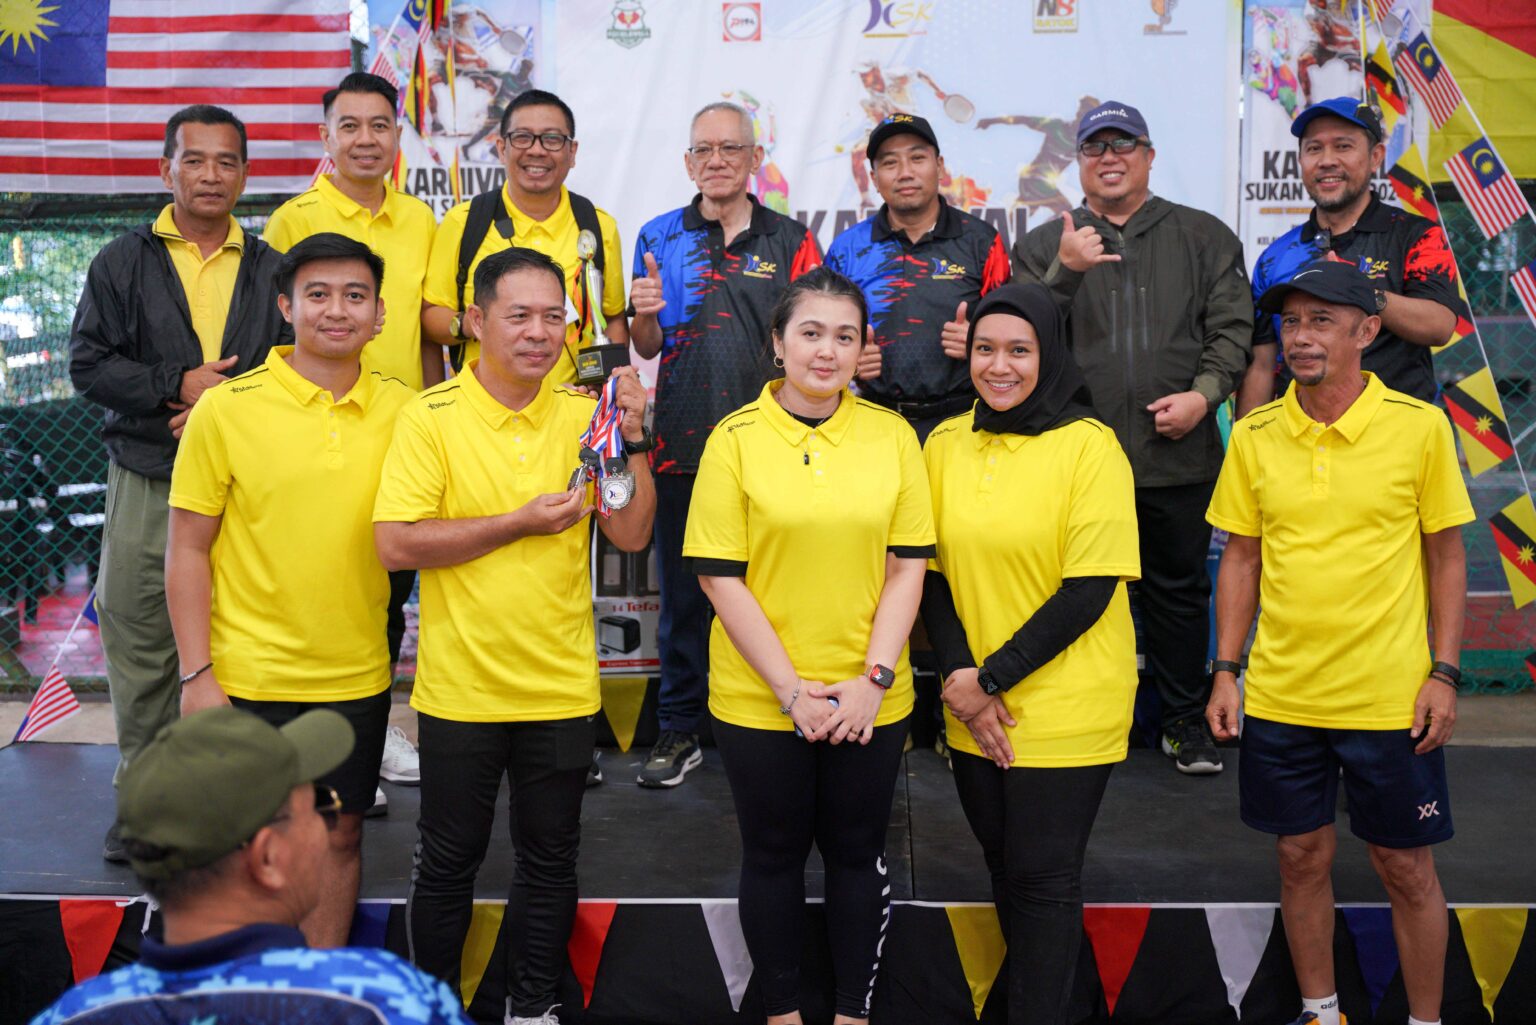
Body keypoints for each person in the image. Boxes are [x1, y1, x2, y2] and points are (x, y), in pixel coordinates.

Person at [374, 248, 655, 1025]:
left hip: (560, 686)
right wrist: (516, 524)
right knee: (447, 861)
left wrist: (633, 436)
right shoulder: (430, 417)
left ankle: (533, 1006)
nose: (539, 332)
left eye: (553, 317)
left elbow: (631, 532)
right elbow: (396, 542)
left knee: (551, 857)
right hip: (460, 690)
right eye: (519, 315)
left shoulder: (584, 413)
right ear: (475, 320)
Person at [1207, 261, 1473, 1025]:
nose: (1301, 336)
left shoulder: (1420, 426)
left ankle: (1426, 1020)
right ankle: (1321, 1012)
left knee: (1405, 866)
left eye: (1322, 320)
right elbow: (1242, 557)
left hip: (1391, 697)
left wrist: (1444, 672)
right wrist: (1226, 670)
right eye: (1291, 321)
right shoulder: (1255, 433)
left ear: (1368, 331)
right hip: (1282, 695)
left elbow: (1446, 556)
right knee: (1299, 857)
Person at [685, 267, 933, 1025]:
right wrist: (791, 691)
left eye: (845, 336)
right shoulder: (734, 439)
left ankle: (854, 1013)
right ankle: (784, 1012)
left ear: (863, 349)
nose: (827, 351)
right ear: (778, 342)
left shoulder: (894, 437)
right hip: (760, 698)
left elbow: (907, 567)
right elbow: (720, 578)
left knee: (858, 853)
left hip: (868, 697)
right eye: (811, 333)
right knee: (772, 854)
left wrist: (873, 680)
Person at [164, 233, 414, 946]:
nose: (337, 310)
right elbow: (186, 548)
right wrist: (197, 676)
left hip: (356, 674)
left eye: (355, 295)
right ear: (285, 307)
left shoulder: (411, 411)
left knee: (336, 838)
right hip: (245, 677)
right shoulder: (226, 409)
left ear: (379, 313)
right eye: (318, 294)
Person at [68, 105, 290, 864]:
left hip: (250, 482)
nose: (210, 175)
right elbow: (88, 365)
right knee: (140, 631)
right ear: (166, 169)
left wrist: (223, 410)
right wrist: (177, 384)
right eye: (194, 160)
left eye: (227, 162)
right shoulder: (119, 263)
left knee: (245, 638)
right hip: (149, 474)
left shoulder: (272, 268)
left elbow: (293, 368)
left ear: (245, 176)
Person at [919, 283, 1139, 1025]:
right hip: (972, 703)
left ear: (1050, 356)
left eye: (1019, 350)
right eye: (985, 348)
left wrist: (989, 679)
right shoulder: (944, 443)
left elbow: (1090, 589)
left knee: (1043, 880)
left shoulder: (1090, 446)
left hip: (1066, 703)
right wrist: (962, 679)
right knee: (1006, 871)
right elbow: (932, 575)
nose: (999, 365)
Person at [1011, 100, 1252, 776]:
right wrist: (1066, 270)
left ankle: (1183, 721)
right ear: (1079, 162)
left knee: (1177, 593)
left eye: (1124, 145)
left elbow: (1232, 330)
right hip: (1074, 461)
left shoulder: (1202, 235)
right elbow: (1019, 338)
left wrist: (1204, 397)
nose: (1110, 157)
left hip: (1177, 454)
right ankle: (1068, 718)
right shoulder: (1045, 243)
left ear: (1149, 157)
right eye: (1095, 147)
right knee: (1070, 592)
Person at [28, 707, 474, 1025]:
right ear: (267, 858)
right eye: (318, 804)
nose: (329, 825)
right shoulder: (389, 1002)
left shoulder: (75, 1014)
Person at [627, 100, 826, 788]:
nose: (716, 161)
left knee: (777, 593)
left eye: (730, 149)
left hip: (777, 445)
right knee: (685, 602)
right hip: (682, 444)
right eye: (703, 150)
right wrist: (644, 316)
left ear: (754, 160)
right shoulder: (658, 235)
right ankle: (679, 727)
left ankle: (787, 711)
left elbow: (812, 334)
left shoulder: (791, 239)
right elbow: (646, 343)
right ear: (688, 163)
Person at [262, 72, 435, 800]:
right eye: (350, 126)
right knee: (314, 579)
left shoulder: (422, 220)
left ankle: (374, 732)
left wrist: (434, 412)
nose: (366, 139)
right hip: (314, 429)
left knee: (388, 591)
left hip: (398, 431)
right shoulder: (292, 220)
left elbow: (428, 334)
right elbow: (268, 329)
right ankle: (303, 746)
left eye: (380, 125)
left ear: (398, 136)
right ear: (326, 137)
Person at [1239, 98, 1461, 415]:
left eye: (1343, 146)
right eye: (1314, 149)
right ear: (1300, 160)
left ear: (1375, 157)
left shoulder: (1416, 235)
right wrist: (1248, 435)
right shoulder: (1276, 257)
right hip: (1300, 435)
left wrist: (1362, 291)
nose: (1327, 160)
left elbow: (1439, 325)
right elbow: (1261, 364)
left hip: (1394, 431)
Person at [421, 89, 628, 388]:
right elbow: (430, 316)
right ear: (501, 148)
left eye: (552, 139)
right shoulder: (463, 223)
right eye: (522, 138)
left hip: (575, 404)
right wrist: (470, 323)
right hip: (481, 407)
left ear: (572, 152)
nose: (537, 150)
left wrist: (604, 388)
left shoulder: (598, 226)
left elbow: (613, 318)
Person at [826, 112, 1011, 443]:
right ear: (874, 178)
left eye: (917, 158)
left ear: (939, 166)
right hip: (871, 423)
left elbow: (1014, 333)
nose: (905, 172)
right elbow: (820, 335)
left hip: (965, 424)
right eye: (890, 162)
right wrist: (848, 356)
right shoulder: (847, 249)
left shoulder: (982, 242)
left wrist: (981, 342)